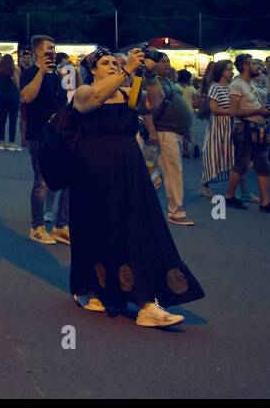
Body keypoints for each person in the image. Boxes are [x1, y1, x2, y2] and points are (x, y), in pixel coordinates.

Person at [67, 48, 204, 327]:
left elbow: (150, 104)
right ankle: (93, 287)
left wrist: (148, 75)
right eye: (106, 63)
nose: (113, 66)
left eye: (115, 63)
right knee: (98, 229)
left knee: (138, 227)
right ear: (92, 70)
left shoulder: (125, 92)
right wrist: (127, 70)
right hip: (94, 172)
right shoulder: (82, 92)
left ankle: (146, 302)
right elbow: (94, 99)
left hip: (129, 168)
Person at [21, 35, 69, 245]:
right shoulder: (30, 72)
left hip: (56, 135)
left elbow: (62, 104)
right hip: (37, 136)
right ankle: (37, 227)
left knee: (66, 178)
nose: (52, 51)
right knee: (41, 182)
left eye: (54, 48)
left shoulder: (56, 76)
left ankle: (61, 225)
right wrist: (41, 71)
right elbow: (27, 97)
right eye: (49, 48)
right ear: (38, 52)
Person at [144, 52, 195, 225]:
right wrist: (151, 131)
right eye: (162, 61)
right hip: (164, 132)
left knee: (157, 172)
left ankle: (146, 206)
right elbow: (147, 108)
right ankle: (176, 212)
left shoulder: (167, 81)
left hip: (173, 132)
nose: (167, 64)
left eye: (168, 61)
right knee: (172, 172)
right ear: (153, 64)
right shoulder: (149, 80)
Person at [226, 53, 270, 211]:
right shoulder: (237, 85)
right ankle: (229, 196)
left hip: (258, 130)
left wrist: (262, 111)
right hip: (244, 129)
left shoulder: (251, 85)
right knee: (241, 165)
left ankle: (265, 202)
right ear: (245, 66)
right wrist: (258, 110)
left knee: (263, 165)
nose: (257, 67)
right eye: (253, 64)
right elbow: (233, 111)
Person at [200, 60, 235, 198]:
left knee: (231, 156)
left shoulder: (232, 87)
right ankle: (205, 183)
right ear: (221, 71)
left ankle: (240, 191)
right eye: (228, 69)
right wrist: (231, 112)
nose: (231, 72)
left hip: (230, 125)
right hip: (218, 126)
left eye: (232, 69)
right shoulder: (215, 87)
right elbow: (213, 108)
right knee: (214, 155)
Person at [0, 53, 21, 151]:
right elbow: (17, 84)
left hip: (2, 96)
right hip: (13, 96)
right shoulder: (14, 69)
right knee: (13, 119)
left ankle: (2, 142)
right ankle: (11, 142)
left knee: (2, 119)